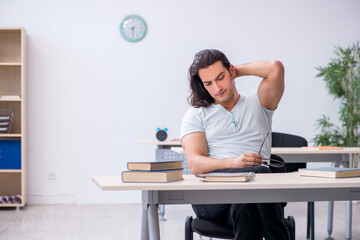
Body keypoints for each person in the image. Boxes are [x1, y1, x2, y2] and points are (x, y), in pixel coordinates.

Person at [180, 49, 288, 240]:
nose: (216, 88)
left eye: (220, 77)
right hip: (212, 196)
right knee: (258, 174)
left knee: (245, 201)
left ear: (231, 72)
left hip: (252, 192)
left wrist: (236, 69)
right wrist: (234, 163)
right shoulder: (196, 115)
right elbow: (195, 163)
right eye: (208, 83)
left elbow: (275, 68)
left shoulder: (258, 104)